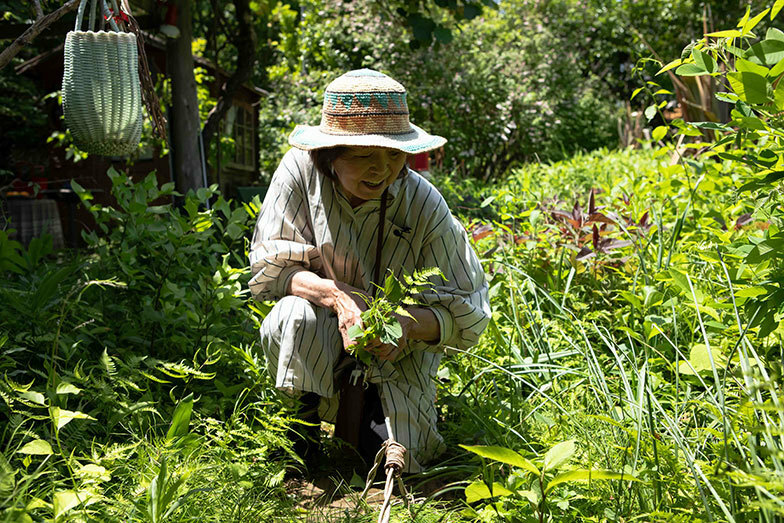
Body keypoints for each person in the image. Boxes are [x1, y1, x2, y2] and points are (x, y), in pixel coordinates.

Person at [248, 69, 490, 474]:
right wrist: (340, 298)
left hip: (398, 353)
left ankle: (375, 420)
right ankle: (298, 433)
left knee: (390, 461)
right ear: (329, 154)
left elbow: (471, 312)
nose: (381, 169)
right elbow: (272, 271)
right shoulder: (298, 172)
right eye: (363, 155)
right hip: (319, 336)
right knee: (292, 315)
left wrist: (408, 326)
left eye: (394, 155)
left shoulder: (424, 203)